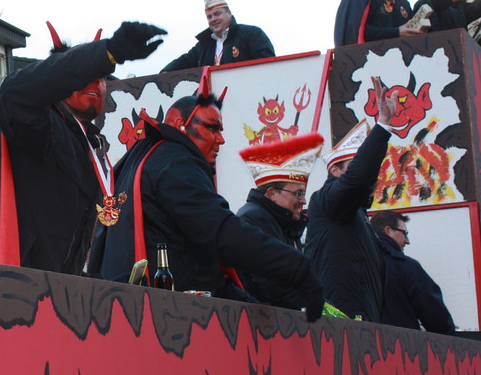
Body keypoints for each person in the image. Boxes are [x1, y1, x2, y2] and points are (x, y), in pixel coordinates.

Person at [0, 20, 166, 274]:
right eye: (85, 73)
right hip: (7, 283)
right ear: (57, 81)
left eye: (102, 76)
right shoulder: (38, 125)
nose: (95, 81)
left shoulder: (91, 146)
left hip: (53, 288)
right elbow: (15, 93)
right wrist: (108, 52)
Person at [91, 74, 324, 319]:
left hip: (134, 306)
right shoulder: (175, 161)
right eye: (212, 128)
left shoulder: (141, 156)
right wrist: (296, 267)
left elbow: (193, 250)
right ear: (180, 124)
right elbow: (221, 233)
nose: (221, 139)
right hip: (172, 317)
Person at [303, 77, 396, 322]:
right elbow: (357, 180)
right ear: (335, 171)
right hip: (340, 323)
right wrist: (383, 126)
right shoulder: (327, 200)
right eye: (355, 164)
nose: (369, 171)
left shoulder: (356, 212)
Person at [235, 132, 325, 304]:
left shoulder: (284, 223)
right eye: (298, 193)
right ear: (272, 194)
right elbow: (271, 282)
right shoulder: (254, 219)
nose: (303, 201)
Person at [369, 210, 455, 334]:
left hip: (357, 339)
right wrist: (448, 334)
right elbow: (433, 311)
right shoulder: (404, 266)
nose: (407, 241)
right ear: (388, 230)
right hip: (399, 342)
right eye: (405, 233)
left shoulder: (358, 263)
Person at [162, 0, 274, 71]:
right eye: (209, 16)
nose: (213, 19)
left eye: (217, 14)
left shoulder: (252, 33)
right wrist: (165, 73)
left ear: (229, 13)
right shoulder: (203, 45)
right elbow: (184, 61)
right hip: (213, 93)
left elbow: (267, 63)